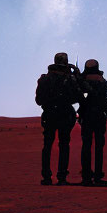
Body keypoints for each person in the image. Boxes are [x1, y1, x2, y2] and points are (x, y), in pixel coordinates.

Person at [35, 52, 82, 185]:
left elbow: (38, 100)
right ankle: (62, 177)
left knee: (47, 145)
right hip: (65, 114)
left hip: (49, 114)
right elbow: (78, 96)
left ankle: (46, 177)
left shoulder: (44, 79)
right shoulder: (70, 79)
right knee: (64, 144)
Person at [78, 58, 107, 186]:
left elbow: (79, 97)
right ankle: (98, 177)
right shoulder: (102, 81)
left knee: (86, 146)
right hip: (99, 117)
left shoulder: (82, 80)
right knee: (98, 147)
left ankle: (86, 177)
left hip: (86, 116)